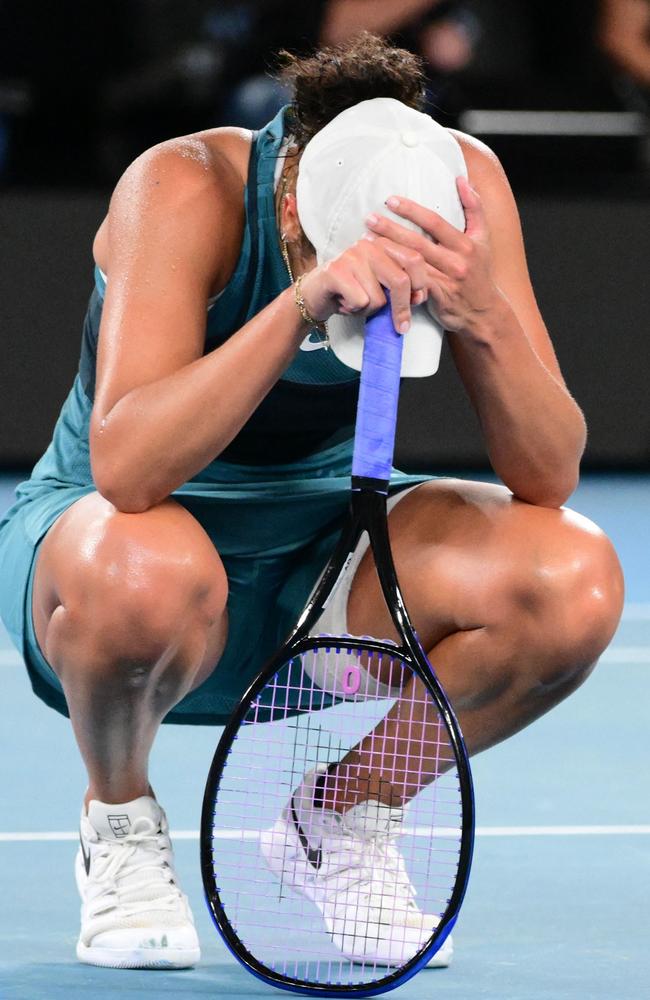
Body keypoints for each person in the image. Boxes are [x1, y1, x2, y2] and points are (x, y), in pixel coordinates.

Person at [0, 33, 623, 971]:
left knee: (570, 580)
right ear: (293, 198)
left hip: (329, 540)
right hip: (120, 554)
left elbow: (549, 474)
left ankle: (344, 813)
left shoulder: (465, 186)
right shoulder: (181, 186)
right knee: (140, 564)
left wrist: (484, 313)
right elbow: (127, 471)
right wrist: (300, 303)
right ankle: (119, 817)